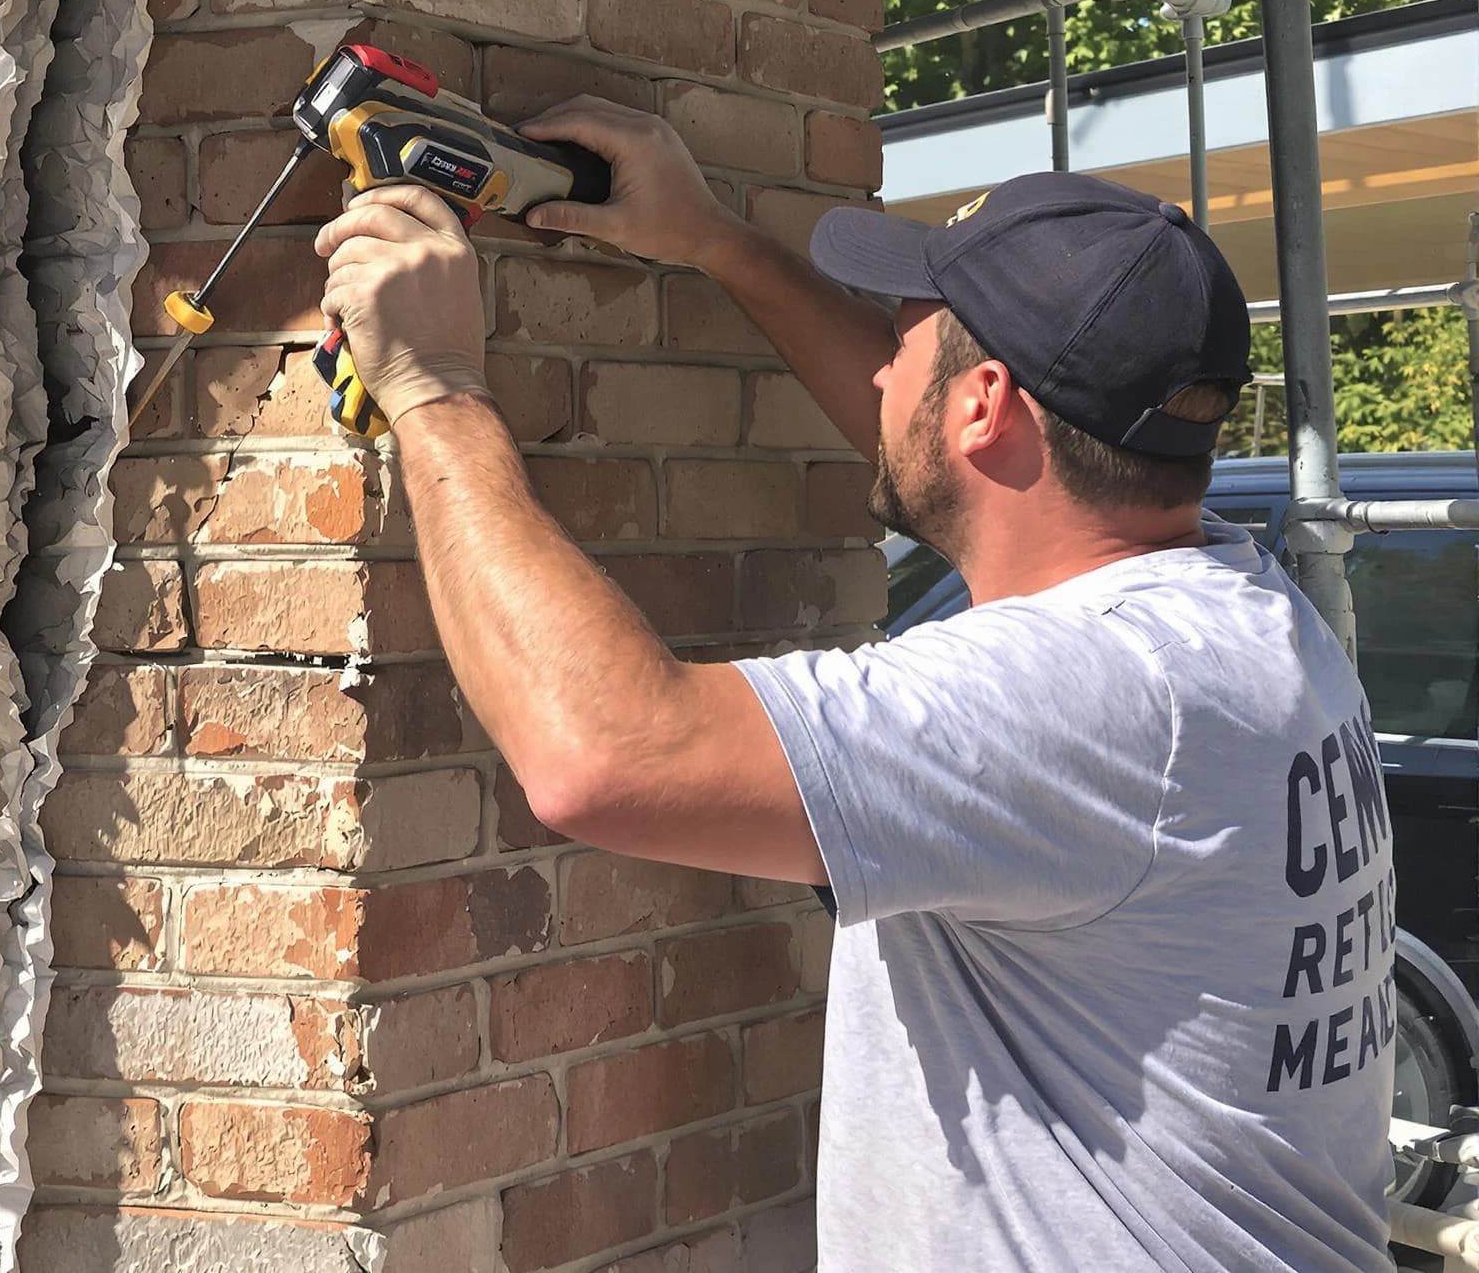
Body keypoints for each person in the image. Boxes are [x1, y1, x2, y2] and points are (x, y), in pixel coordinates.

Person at [312, 96, 1394, 1273]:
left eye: (909, 332)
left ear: (984, 406)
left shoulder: (1093, 695)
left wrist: (434, 387)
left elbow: (607, 756)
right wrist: (712, 240)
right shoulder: (1232, 611)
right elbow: (957, 463)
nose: (881, 365)